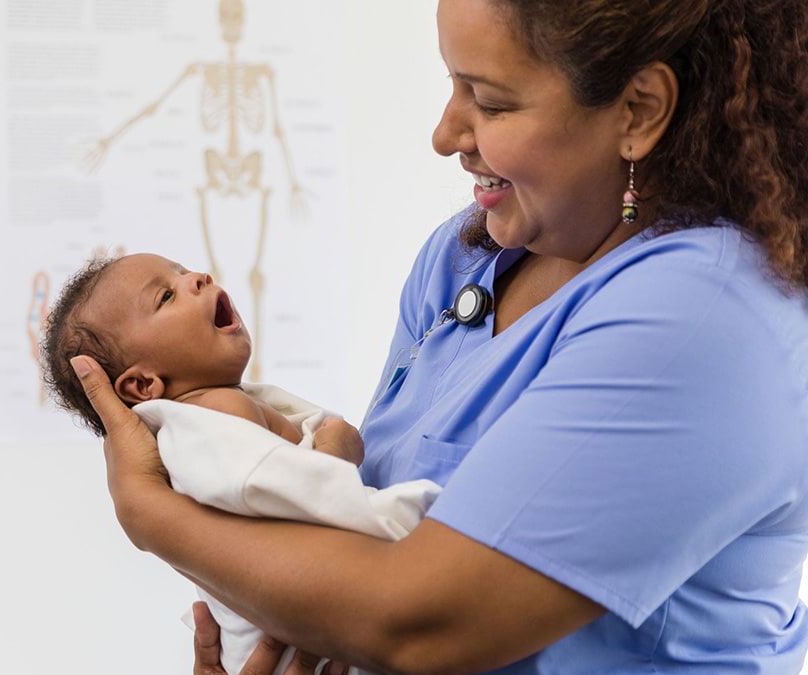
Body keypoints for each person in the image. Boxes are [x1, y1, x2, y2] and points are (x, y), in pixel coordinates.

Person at [68, 0, 808, 672]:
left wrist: (152, 514)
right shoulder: (465, 260)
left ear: (638, 110)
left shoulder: (708, 312)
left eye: (486, 99)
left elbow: (421, 623)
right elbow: (352, 529)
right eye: (453, 85)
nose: (445, 133)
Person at [41, 252, 441, 675]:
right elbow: (287, 498)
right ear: (142, 384)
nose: (197, 277)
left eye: (183, 270)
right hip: (304, 645)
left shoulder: (217, 409)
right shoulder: (207, 419)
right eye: (165, 296)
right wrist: (336, 451)